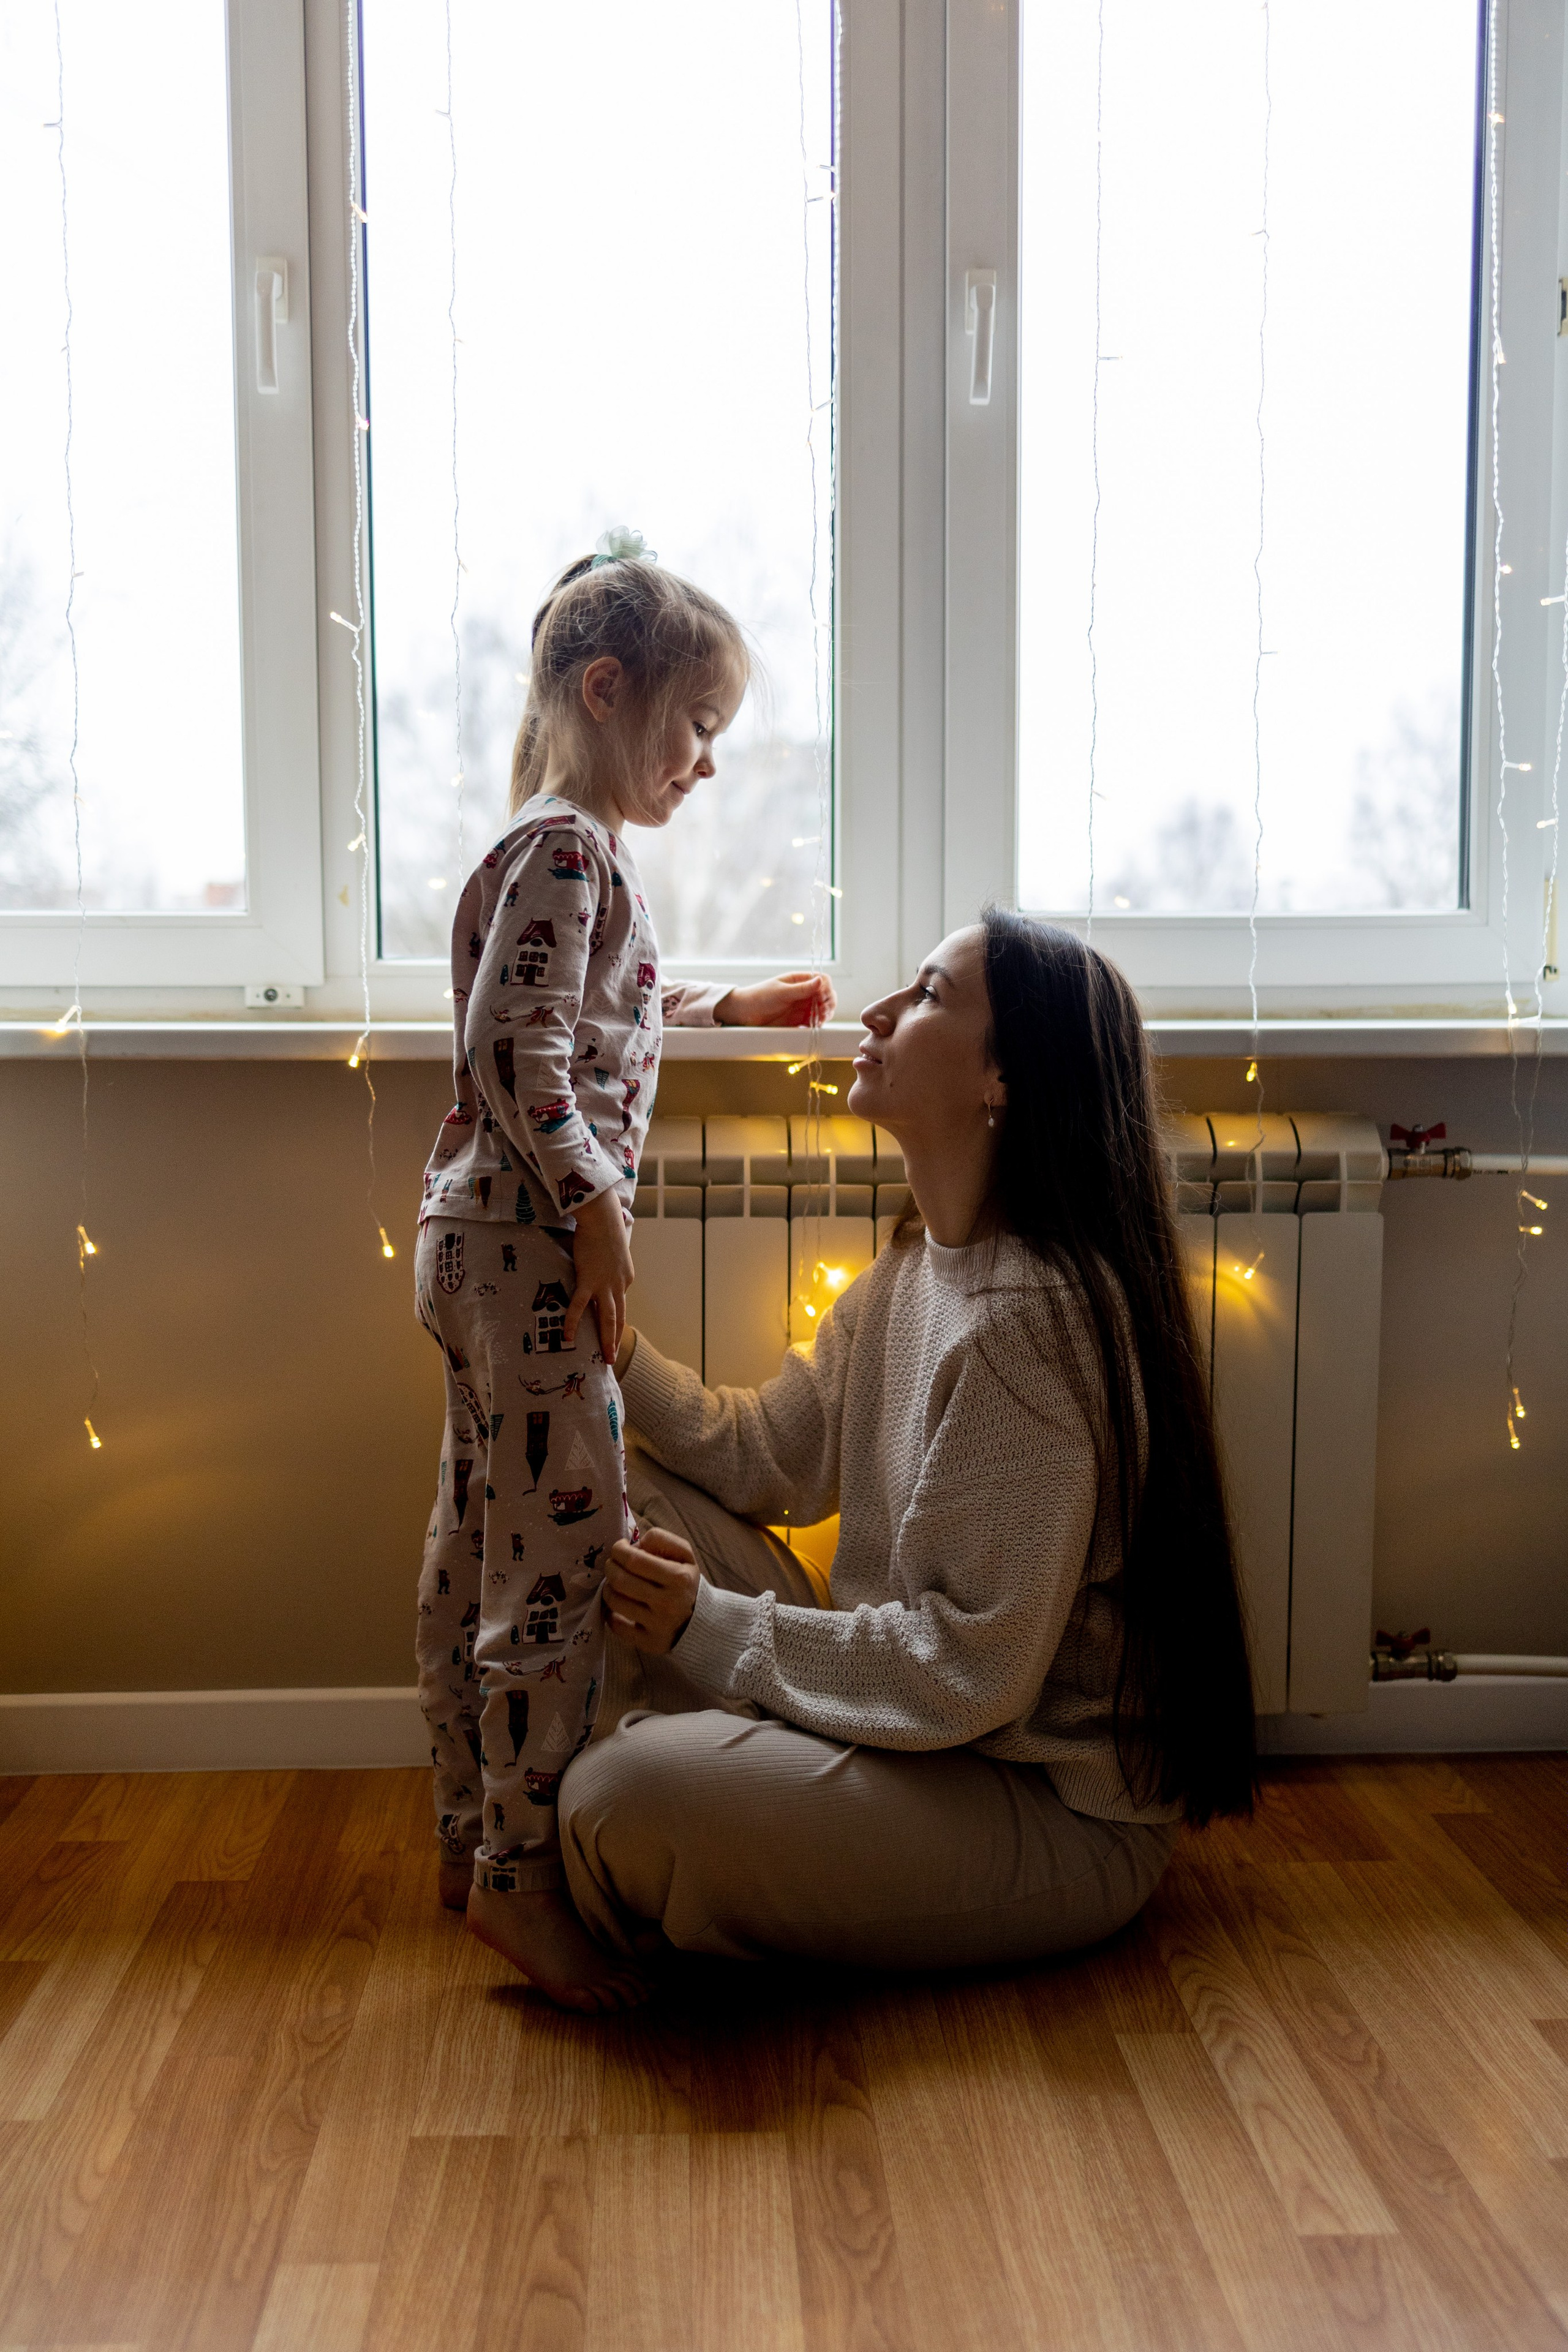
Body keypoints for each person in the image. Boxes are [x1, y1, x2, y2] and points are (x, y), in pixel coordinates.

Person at [556, 910, 1256, 1990]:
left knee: (623, 1799)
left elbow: (967, 1673)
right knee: (605, 1481)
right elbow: (764, 1457)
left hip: (1036, 1803)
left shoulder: (1028, 1322)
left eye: (927, 996)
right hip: (926, 1735)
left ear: (1003, 1080)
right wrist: (614, 1345)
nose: (877, 1012)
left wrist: (712, 1626)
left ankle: (665, 1813)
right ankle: (707, 1803)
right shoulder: (915, 1271)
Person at [415, 527, 835, 2011]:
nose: (706, 763)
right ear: (608, 691)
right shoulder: (568, 845)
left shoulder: (547, 852)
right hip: (527, 1248)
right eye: (696, 726)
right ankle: (525, 1887)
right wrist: (594, 1200)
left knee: (477, 1536)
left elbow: (589, 1007)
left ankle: (472, 1846)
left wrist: (730, 1002)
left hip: (476, 1242)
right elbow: (510, 1047)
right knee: (553, 1567)